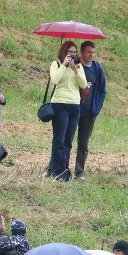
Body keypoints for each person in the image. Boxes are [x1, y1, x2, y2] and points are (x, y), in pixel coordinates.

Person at [46, 41, 88, 181]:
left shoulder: (79, 66)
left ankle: (62, 169)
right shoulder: (56, 64)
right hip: (60, 104)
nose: (72, 54)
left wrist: (75, 70)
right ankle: (59, 173)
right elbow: (55, 80)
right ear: (64, 52)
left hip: (74, 105)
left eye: (75, 52)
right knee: (59, 139)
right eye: (70, 52)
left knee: (68, 140)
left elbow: (83, 85)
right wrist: (64, 65)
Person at [73, 41, 107, 180]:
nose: (91, 55)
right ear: (82, 52)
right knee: (65, 140)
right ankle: (59, 166)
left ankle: (79, 171)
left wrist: (97, 107)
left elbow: (102, 90)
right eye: (88, 52)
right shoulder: (74, 65)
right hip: (73, 108)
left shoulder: (97, 68)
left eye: (93, 52)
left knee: (83, 142)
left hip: (89, 112)